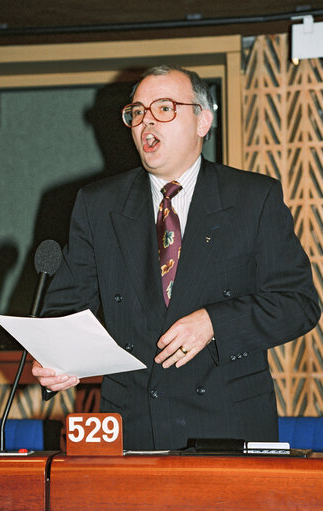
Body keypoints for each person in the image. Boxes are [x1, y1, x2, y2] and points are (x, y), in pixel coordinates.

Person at [32, 65, 320, 450]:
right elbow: (65, 310)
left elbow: (298, 304)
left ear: (203, 121)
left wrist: (214, 323)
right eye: (137, 112)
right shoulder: (98, 205)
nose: (145, 121)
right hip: (131, 426)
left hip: (227, 424)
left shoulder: (254, 198)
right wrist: (57, 359)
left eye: (163, 108)